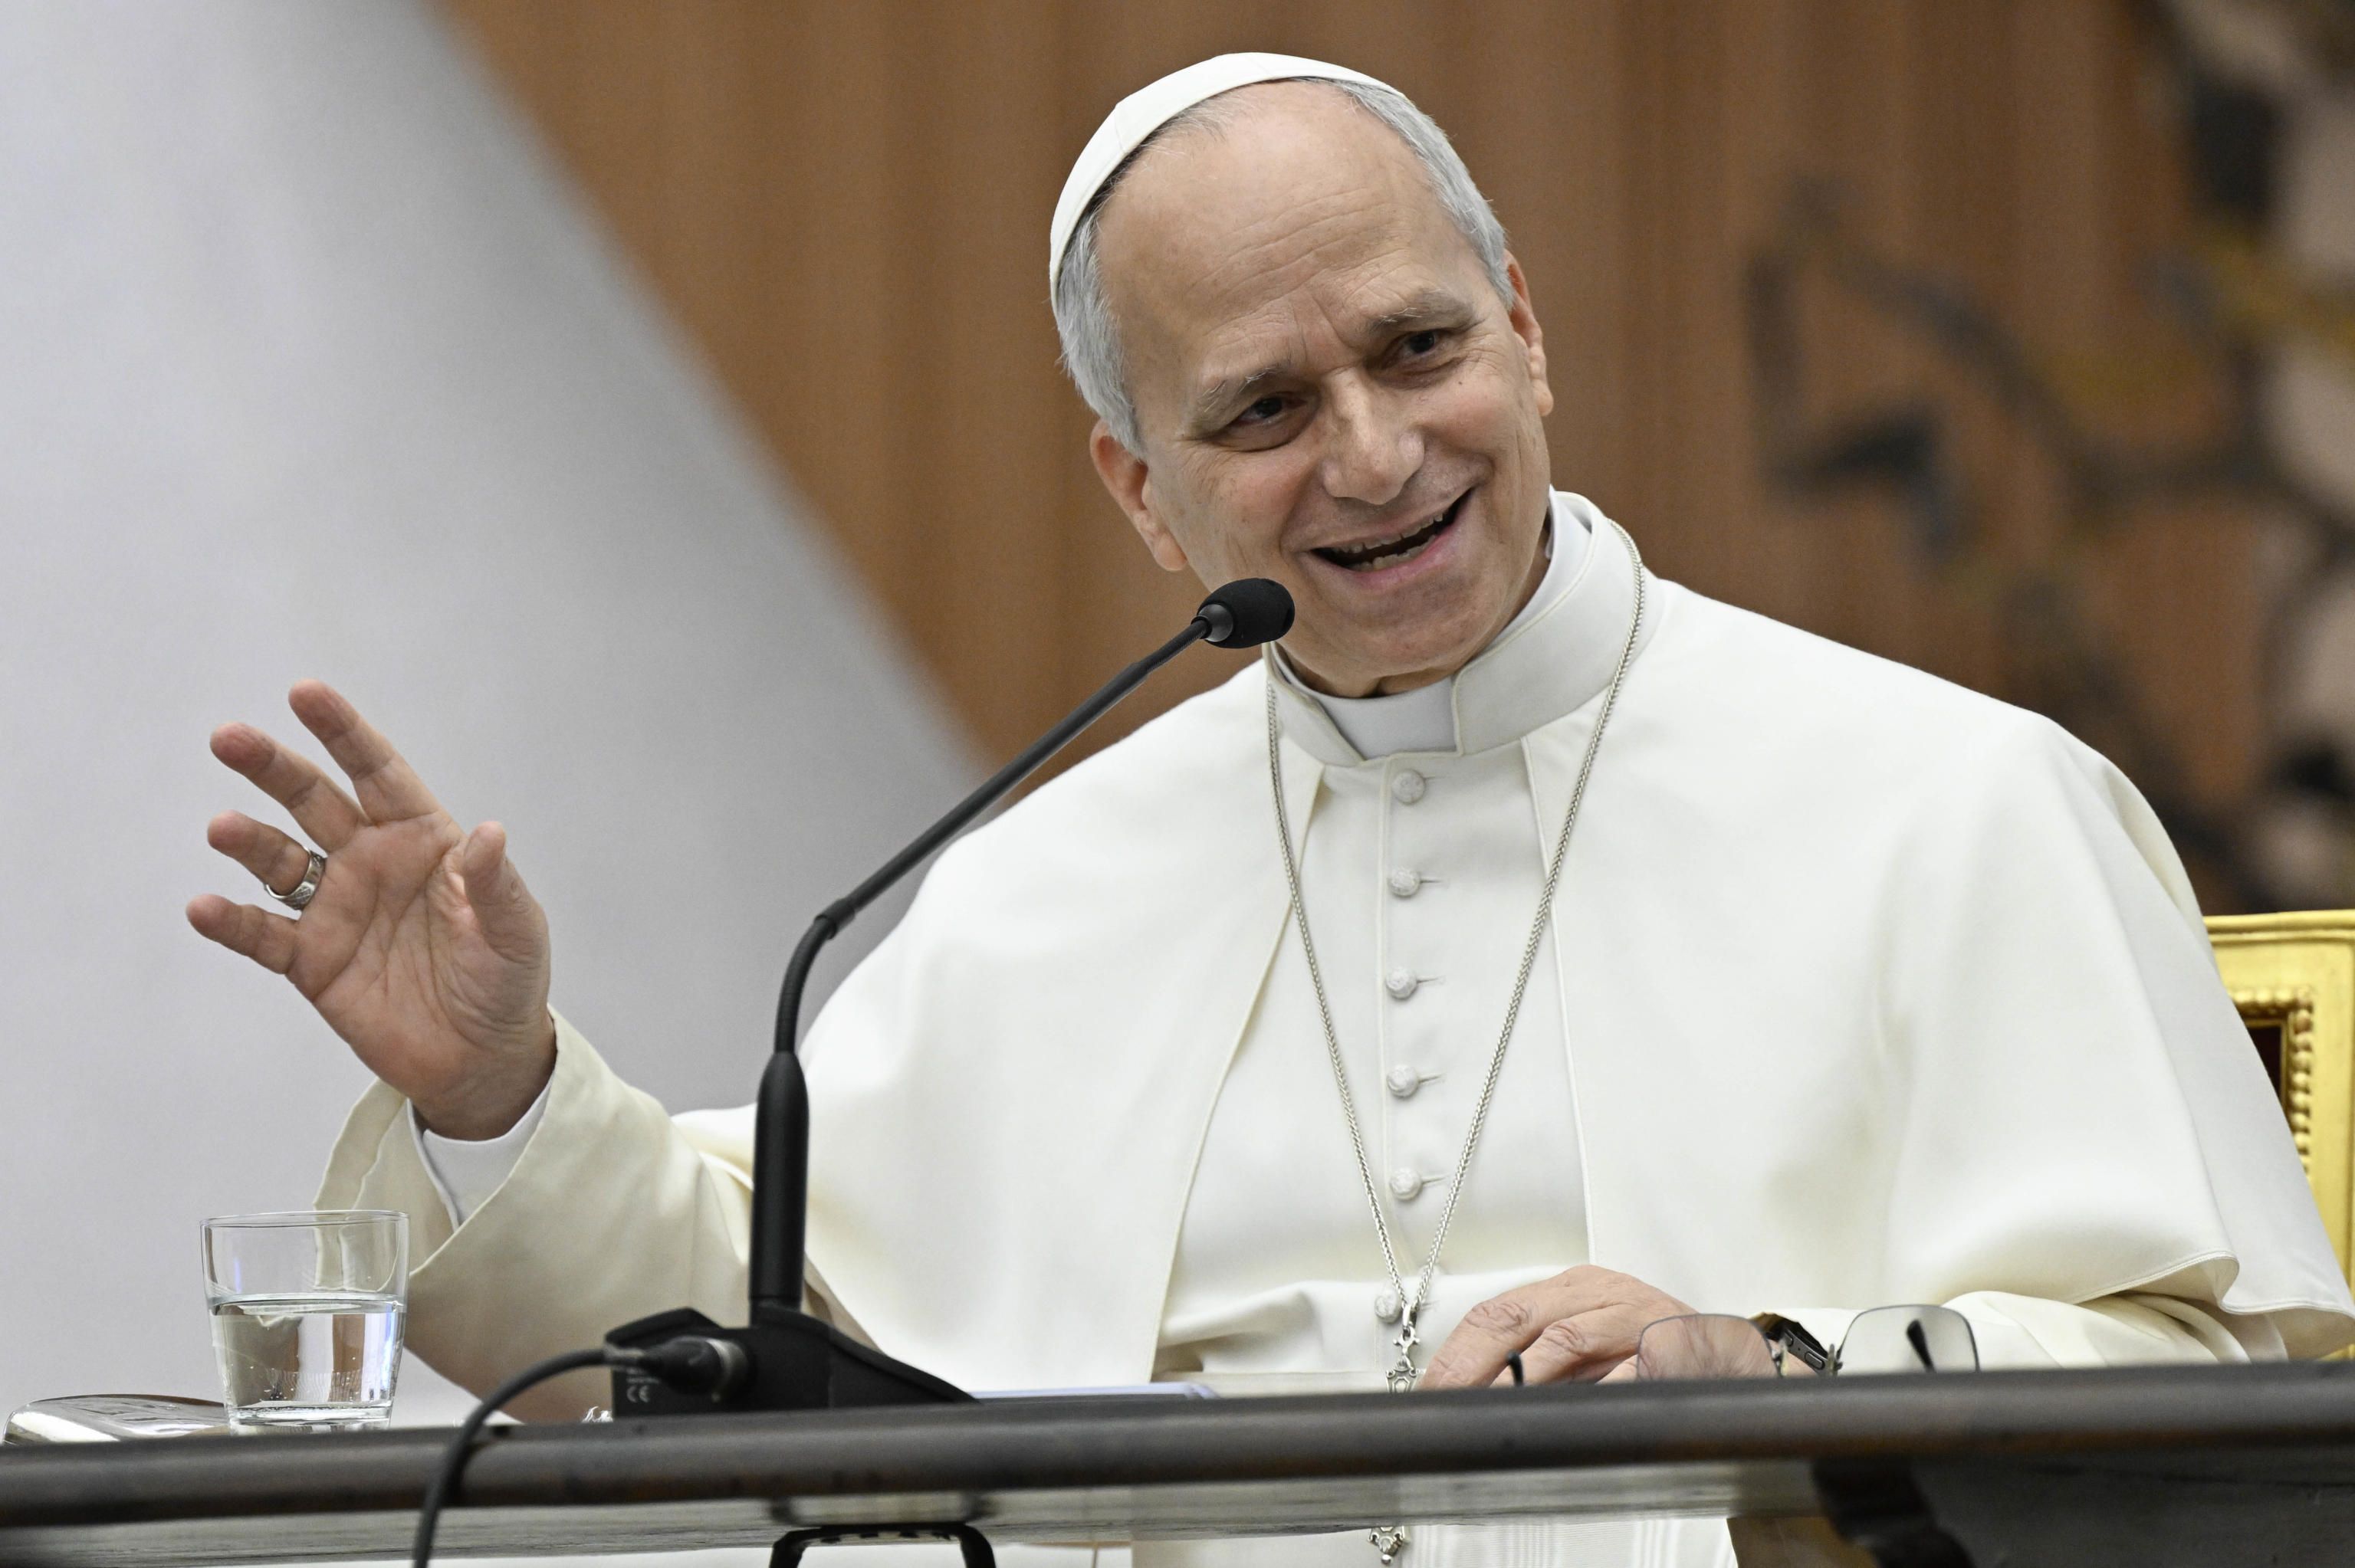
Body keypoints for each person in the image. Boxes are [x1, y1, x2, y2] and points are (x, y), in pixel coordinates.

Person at [189, 54, 2353, 1568]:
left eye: (1420, 350)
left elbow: (2232, 1415)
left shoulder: (1956, 803)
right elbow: (785, 1365)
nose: (1378, 454)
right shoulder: (1045, 892)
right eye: (1263, 409)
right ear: (1142, 490)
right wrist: (503, 1098)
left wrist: (1775, 1368)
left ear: (1527, 327)